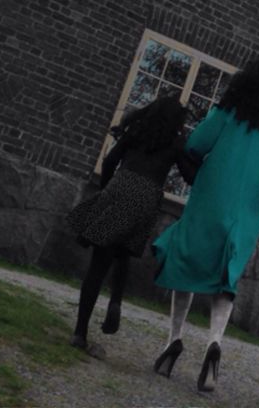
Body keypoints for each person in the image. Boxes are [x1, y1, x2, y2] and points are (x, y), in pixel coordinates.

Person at [151, 54, 259, 393]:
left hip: (210, 200)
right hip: (247, 211)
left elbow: (196, 144)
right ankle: (214, 343)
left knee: (187, 262)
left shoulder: (226, 113)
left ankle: (173, 341)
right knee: (226, 276)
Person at [66, 93, 199, 356]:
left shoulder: (136, 131)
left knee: (99, 263)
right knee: (123, 251)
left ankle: (80, 333)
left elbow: (110, 160)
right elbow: (190, 177)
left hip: (122, 185)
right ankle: (115, 301)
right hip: (147, 198)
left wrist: (107, 189)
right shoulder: (175, 142)